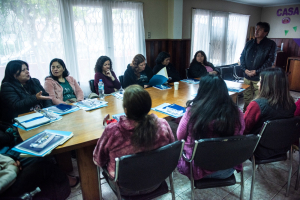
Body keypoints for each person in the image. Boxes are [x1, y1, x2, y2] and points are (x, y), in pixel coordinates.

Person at [93, 84, 175, 195]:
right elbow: (171, 149)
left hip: (125, 188)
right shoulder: (162, 124)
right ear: (148, 106)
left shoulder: (112, 131)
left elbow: (98, 160)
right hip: (157, 180)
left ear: (126, 110)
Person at [177, 74, 244, 180]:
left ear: (202, 91)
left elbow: (179, 136)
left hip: (197, 170)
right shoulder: (237, 113)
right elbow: (239, 134)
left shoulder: (193, 112)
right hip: (227, 168)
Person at [244, 68, 296, 159]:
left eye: (260, 81)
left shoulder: (256, 105)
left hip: (257, 149)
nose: (257, 84)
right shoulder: (291, 104)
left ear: (267, 85)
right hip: (283, 147)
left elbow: (244, 128)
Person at [240, 22, 277, 112]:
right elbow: (242, 57)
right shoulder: (249, 43)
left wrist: (256, 71)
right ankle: (246, 115)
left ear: (266, 32)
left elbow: (270, 61)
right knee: (247, 99)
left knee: (259, 100)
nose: (256, 31)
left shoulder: (271, 44)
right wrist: (245, 70)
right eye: (256, 29)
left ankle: (257, 117)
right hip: (247, 76)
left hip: (260, 78)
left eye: (259, 29)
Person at [0, 154, 71, 200]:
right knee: (39, 161)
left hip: (7, 171)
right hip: (5, 186)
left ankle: (68, 182)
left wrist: (10, 162)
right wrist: (13, 168)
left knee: (44, 166)